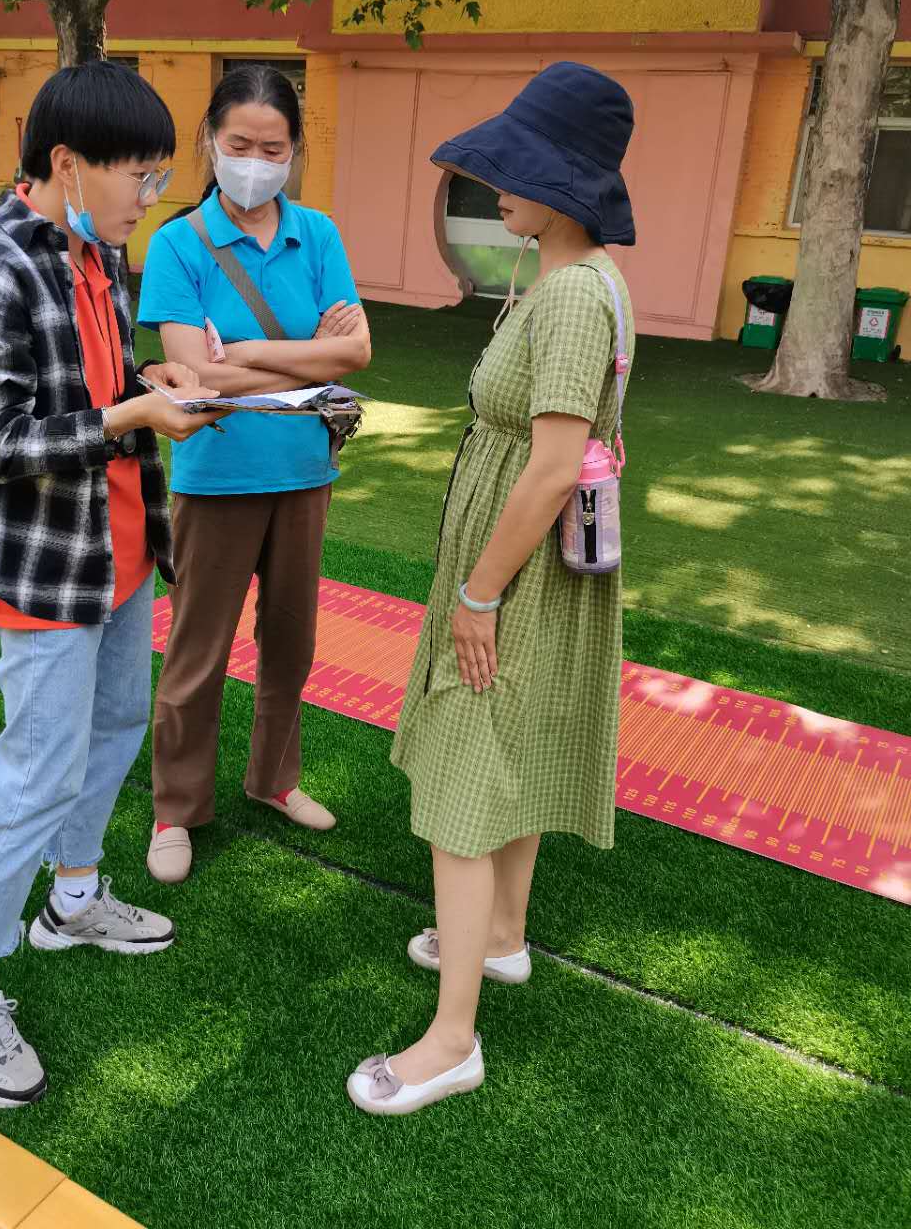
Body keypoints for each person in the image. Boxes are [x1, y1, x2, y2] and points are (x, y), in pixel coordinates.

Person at [0, 60, 224, 1109]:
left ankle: (74, 898)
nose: (150, 195)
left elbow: (88, 389)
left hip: (120, 552)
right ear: (67, 163)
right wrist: (134, 415)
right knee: (34, 778)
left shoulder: (100, 257)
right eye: (140, 173)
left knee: (118, 724)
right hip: (44, 573)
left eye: (156, 174)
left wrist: (147, 382)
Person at [347, 62, 637, 1115]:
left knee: (466, 785)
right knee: (505, 752)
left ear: (566, 185)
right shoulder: (579, 280)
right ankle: (503, 936)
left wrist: (479, 596)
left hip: (517, 568)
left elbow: (553, 468)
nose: (495, 185)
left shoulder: (573, 295)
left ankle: (452, 1041)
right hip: (527, 562)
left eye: (517, 170)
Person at [138, 63, 371, 885]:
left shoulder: (319, 234)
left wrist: (245, 352)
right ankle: (176, 807)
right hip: (216, 475)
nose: (255, 161)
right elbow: (192, 377)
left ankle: (274, 779)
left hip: (304, 471)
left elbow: (357, 352)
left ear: (294, 150)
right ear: (211, 140)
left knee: (292, 640)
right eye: (240, 143)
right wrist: (306, 358)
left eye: (273, 148)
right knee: (197, 650)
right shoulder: (178, 244)